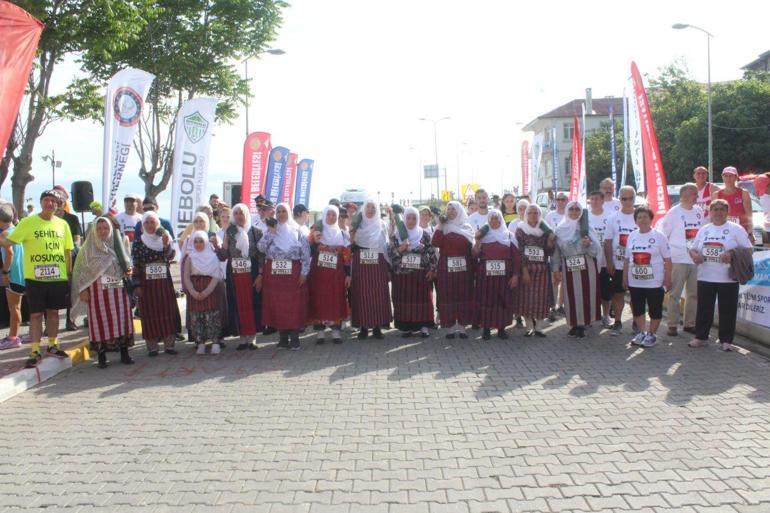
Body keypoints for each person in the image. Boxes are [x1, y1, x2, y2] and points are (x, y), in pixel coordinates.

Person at [0, 190, 73, 368]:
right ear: (41, 203)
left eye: (53, 201)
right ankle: (34, 350)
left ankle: (53, 346)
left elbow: (67, 251)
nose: (49, 203)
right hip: (35, 278)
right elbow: (9, 242)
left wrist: (69, 275)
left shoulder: (63, 224)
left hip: (58, 277)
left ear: (58, 205)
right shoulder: (28, 222)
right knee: (35, 315)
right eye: (46, 200)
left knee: (54, 314)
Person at [688, 199, 752, 351]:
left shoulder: (736, 229)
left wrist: (731, 254)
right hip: (705, 276)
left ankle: (726, 340)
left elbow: (748, 250)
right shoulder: (705, 229)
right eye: (715, 209)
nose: (718, 212)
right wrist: (694, 255)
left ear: (727, 212)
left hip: (727, 278)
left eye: (721, 209)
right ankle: (701, 337)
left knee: (727, 310)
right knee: (704, 308)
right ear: (710, 212)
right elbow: (693, 248)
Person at [71, 216, 134, 367]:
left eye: (105, 228)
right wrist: (83, 289)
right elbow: (81, 272)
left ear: (110, 229)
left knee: (122, 320)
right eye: (99, 228)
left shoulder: (117, 245)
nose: (102, 231)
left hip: (118, 292)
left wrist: (129, 270)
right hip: (97, 293)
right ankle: (101, 357)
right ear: (94, 230)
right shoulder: (87, 249)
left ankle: (124, 354)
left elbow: (127, 263)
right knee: (99, 323)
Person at [258, 203, 311, 350]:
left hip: (293, 275)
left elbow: (306, 256)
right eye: (279, 212)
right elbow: (260, 248)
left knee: (293, 306)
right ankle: (282, 339)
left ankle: (294, 338)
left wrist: (304, 273)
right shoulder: (271, 231)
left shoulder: (298, 231)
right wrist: (271, 232)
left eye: (284, 211)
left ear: (288, 212)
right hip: (274, 276)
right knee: (278, 306)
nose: (281, 214)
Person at [131, 211, 181, 356]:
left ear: (158, 223)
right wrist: (137, 285)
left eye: (153, 222)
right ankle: (152, 347)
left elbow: (171, 256)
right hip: (147, 285)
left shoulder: (164, 239)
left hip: (163, 283)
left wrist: (166, 245)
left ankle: (169, 345)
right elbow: (135, 263)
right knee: (149, 312)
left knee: (167, 310)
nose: (149, 225)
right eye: (146, 222)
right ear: (142, 225)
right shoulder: (139, 241)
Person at [622, 206, 672, 348]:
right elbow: (627, 259)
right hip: (635, 281)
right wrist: (625, 278)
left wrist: (668, 278)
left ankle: (652, 334)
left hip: (654, 282)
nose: (642, 219)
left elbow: (668, 260)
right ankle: (642, 332)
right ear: (635, 221)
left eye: (645, 217)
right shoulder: (632, 235)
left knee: (655, 308)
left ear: (651, 219)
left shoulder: (659, 236)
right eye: (639, 217)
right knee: (637, 308)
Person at [216, 203, 263, 350]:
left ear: (247, 214)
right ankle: (243, 338)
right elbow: (223, 256)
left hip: (252, 274)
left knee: (252, 304)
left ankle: (252, 338)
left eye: (241, 213)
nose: (238, 216)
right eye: (235, 213)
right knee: (238, 304)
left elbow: (262, 255)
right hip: (235, 276)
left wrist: (261, 275)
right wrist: (223, 243)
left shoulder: (256, 232)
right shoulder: (230, 232)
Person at [552, 201, 601, 338]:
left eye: (577, 209)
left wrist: (589, 244)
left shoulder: (587, 228)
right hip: (569, 266)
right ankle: (574, 323)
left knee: (586, 293)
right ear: (567, 211)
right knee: (571, 296)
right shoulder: (560, 230)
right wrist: (556, 269)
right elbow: (556, 252)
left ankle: (583, 323)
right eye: (571, 209)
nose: (574, 212)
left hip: (587, 265)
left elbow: (596, 250)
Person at [660, 183, 703, 336]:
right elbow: (664, 235)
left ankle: (689, 324)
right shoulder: (673, 212)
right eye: (694, 194)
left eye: (696, 194)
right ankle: (672, 324)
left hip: (695, 260)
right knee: (675, 293)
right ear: (684, 195)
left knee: (694, 294)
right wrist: (666, 259)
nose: (697, 196)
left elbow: (701, 234)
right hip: (678, 259)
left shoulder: (699, 211)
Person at [389, 206, 438, 337]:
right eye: (408, 218)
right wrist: (400, 249)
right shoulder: (397, 236)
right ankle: (407, 328)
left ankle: (424, 327)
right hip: (402, 276)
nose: (411, 221)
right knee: (404, 301)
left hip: (421, 275)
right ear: (404, 219)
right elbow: (391, 254)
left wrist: (433, 270)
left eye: (414, 218)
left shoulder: (424, 234)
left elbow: (432, 253)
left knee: (423, 300)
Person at [307, 205, 351, 344]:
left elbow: (347, 257)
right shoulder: (316, 231)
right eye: (329, 214)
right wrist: (315, 241)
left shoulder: (342, 234)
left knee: (336, 298)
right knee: (319, 298)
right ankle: (320, 333)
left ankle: (336, 332)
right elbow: (308, 249)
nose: (331, 217)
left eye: (334, 215)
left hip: (336, 273)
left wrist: (348, 275)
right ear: (324, 215)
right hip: (319, 273)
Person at [473, 209, 520, 340]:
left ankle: (501, 329)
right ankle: (486, 329)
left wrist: (516, 275)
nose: (494, 221)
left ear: (501, 220)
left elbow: (516, 257)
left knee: (503, 301)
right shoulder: (483, 237)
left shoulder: (510, 236)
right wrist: (477, 241)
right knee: (486, 301)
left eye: (497, 219)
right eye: (492, 219)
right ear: (488, 221)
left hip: (505, 277)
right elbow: (475, 254)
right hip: (485, 276)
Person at [432, 201, 475, 339]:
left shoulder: (467, 227)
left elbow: (472, 249)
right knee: (448, 296)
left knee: (463, 296)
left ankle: (462, 327)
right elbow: (435, 243)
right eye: (448, 209)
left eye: (453, 209)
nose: (450, 211)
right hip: (446, 267)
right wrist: (440, 224)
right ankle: (450, 328)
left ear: (459, 211)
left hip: (464, 268)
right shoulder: (443, 227)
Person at [350, 199, 391, 340]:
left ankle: (377, 327)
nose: (371, 210)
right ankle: (363, 327)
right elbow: (350, 244)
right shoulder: (357, 226)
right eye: (368, 207)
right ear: (363, 209)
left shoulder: (382, 225)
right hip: (361, 265)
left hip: (378, 265)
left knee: (378, 295)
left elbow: (386, 245)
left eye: (374, 207)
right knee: (362, 295)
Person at [603, 186, 638, 335]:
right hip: (617, 264)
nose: (627, 201)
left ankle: (637, 322)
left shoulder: (641, 215)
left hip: (637, 264)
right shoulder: (613, 217)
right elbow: (608, 242)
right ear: (620, 199)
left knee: (637, 295)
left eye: (631, 198)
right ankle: (617, 321)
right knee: (618, 294)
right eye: (624, 198)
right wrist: (609, 262)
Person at [184, 231, 225, 355]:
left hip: (210, 290)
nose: (198, 244)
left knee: (212, 316)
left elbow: (216, 276)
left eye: (201, 241)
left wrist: (206, 292)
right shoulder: (190, 257)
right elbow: (186, 276)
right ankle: (200, 342)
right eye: (195, 241)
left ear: (206, 242)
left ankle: (215, 342)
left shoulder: (212, 257)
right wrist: (193, 292)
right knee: (197, 317)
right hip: (195, 290)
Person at [516, 204, 554, 337]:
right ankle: (529, 327)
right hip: (527, 268)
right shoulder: (520, 230)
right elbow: (519, 251)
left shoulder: (545, 230)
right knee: (526, 298)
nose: (533, 215)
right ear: (526, 214)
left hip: (542, 269)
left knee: (541, 298)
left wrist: (550, 243)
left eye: (536, 213)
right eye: (530, 213)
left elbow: (549, 252)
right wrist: (524, 270)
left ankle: (538, 327)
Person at [0, 205, 25, 349]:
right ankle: (14, 335)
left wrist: (5, 272)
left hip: (13, 275)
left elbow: (9, 254)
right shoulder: (18, 231)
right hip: (22, 274)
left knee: (14, 308)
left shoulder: (4, 234)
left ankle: (13, 337)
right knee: (17, 307)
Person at [587, 190, 613, 328]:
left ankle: (606, 315)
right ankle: (590, 316)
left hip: (604, 260)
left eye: (597, 199)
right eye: (592, 199)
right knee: (590, 289)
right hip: (590, 259)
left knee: (606, 291)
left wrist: (610, 261)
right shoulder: (585, 217)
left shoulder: (610, 217)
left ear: (603, 200)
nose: (595, 201)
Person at [545, 191, 568, 318]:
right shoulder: (550, 215)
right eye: (558, 199)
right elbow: (546, 233)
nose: (561, 202)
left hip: (567, 251)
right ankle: (553, 306)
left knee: (565, 279)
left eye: (563, 199)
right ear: (555, 201)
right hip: (554, 251)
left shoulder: (571, 214)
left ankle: (561, 305)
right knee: (555, 278)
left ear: (567, 201)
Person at [715, 166, 753, 239]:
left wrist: (750, 232)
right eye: (725, 176)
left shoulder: (743, 193)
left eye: (731, 176)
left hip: (741, 230)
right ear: (722, 177)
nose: (728, 178)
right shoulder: (716, 194)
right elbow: (714, 215)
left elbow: (749, 214)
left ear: (736, 177)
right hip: (723, 231)